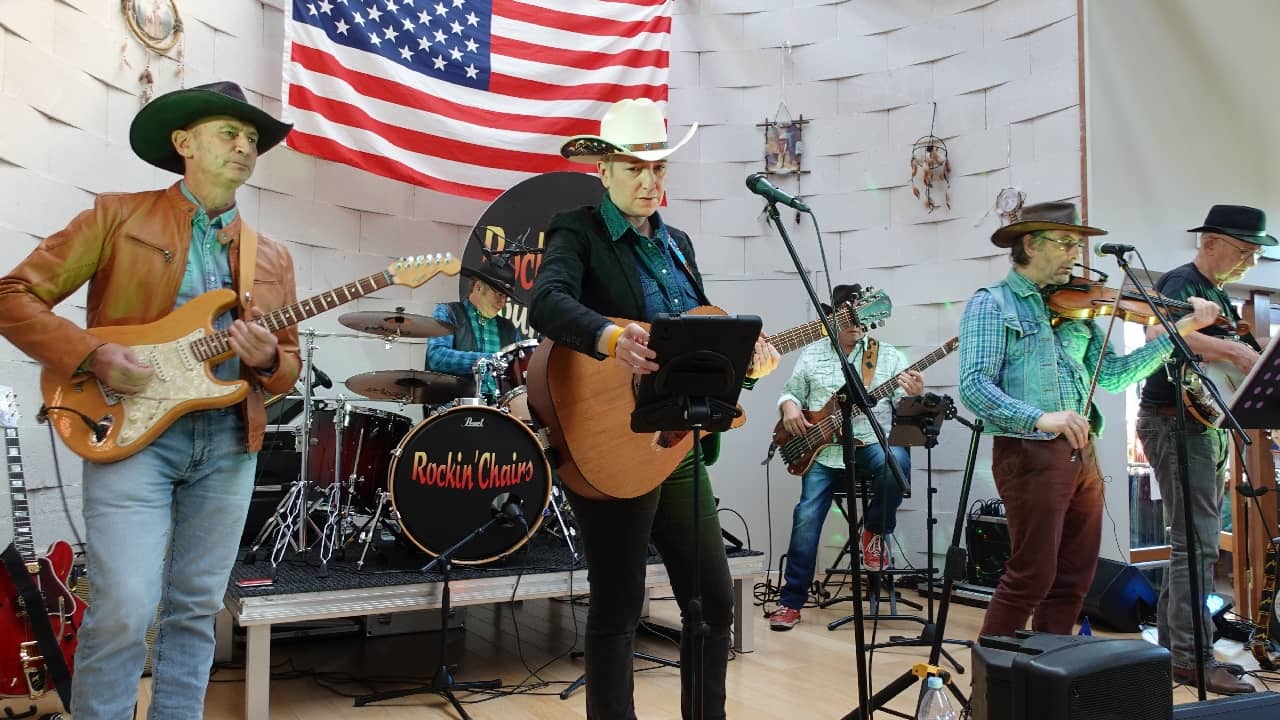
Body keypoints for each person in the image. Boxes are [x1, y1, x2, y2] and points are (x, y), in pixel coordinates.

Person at [0, 81, 300, 719]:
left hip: (228, 442)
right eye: (230, 133)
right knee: (125, 607)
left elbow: (288, 365)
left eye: (253, 140)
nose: (245, 147)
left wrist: (268, 359)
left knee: (195, 609)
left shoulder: (271, 257)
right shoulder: (117, 215)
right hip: (132, 434)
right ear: (184, 142)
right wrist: (94, 355)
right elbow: (13, 295)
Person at [530, 98, 780, 720]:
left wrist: (750, 355)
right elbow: (548, 303)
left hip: (677, 443)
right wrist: (611, 339)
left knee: (713, 599)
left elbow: (698, 334)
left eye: (659, 169)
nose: (649, 181)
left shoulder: (681, 245)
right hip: (610, 442)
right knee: (619, 604)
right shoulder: (577, 230)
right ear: (604, 172)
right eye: (633, 168)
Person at [957, 201, 1217, 642]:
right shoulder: (991, 304)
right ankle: (994, 683)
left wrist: (1183, 329)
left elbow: (1114, 376)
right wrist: (1041, 417)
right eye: (1064, 244)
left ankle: (1048, 673)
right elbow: (973, 386)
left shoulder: (1078, 310)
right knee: (1031, 575)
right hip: (1029, 451)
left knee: (1076, 576)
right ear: (1029, 244)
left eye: (1078, 245)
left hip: (1083, 452)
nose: (1074, 255)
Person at [1135, 204, 1272, 695]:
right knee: (1197, 546)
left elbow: (1237, 357)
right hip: (1173, 422)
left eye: (1255, 255)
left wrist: (1248, 357)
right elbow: (1162, 338)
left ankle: (1177, 654)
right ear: (1210, 242)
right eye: (1244, 251)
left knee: (1189, 546)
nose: (1250, 262)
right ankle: (1193, 659)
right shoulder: (1180, 284)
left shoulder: (1218, 295)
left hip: (1202, 426)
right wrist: (1236, 352)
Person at [767, 284, 924, 631]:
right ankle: (790, 602)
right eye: (846, 315)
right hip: (824, 453)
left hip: (870, 444)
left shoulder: (888, 356)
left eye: (859, 315)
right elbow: (790, 392)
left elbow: (907, 414)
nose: (854, 323)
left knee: (897, 463)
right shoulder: (812, 354)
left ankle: (874, 531)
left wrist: (915, 394)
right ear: (833, 317)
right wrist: (790, 406)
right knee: (806, 516)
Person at [425, 252, 523, 400]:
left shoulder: (509, 328)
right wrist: (489, 361)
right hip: (455, 407)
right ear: (478, 287)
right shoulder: (447, 312)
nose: (502, 302)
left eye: (506, 297)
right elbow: (437, 357)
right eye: (498, 294)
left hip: (500, 411)